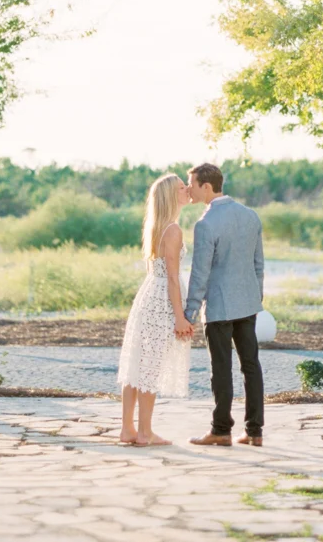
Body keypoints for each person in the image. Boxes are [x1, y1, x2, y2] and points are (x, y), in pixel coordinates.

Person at [183, 162, 265, 447]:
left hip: (219, 306)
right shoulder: (250, 216)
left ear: (206, 186)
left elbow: (200, 273)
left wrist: (189, 312)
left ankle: (221, 430)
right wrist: (257, 298)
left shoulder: (206, 224)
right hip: (248, 304)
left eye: (191, 184)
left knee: (222, 369)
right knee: (251, 366)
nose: (188, 189)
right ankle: (255, 432)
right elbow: (258, 265)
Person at [116, 173, 195, 445]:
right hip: (162, 299)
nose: (188, 191)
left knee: (136, 363)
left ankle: (128, 428)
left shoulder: (155, 226)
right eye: (183, 188)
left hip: (148, 295)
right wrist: (180, 317)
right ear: (172, 196)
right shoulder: (172, 230)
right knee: (150, 365)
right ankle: (145, 432)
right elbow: (172, 277)